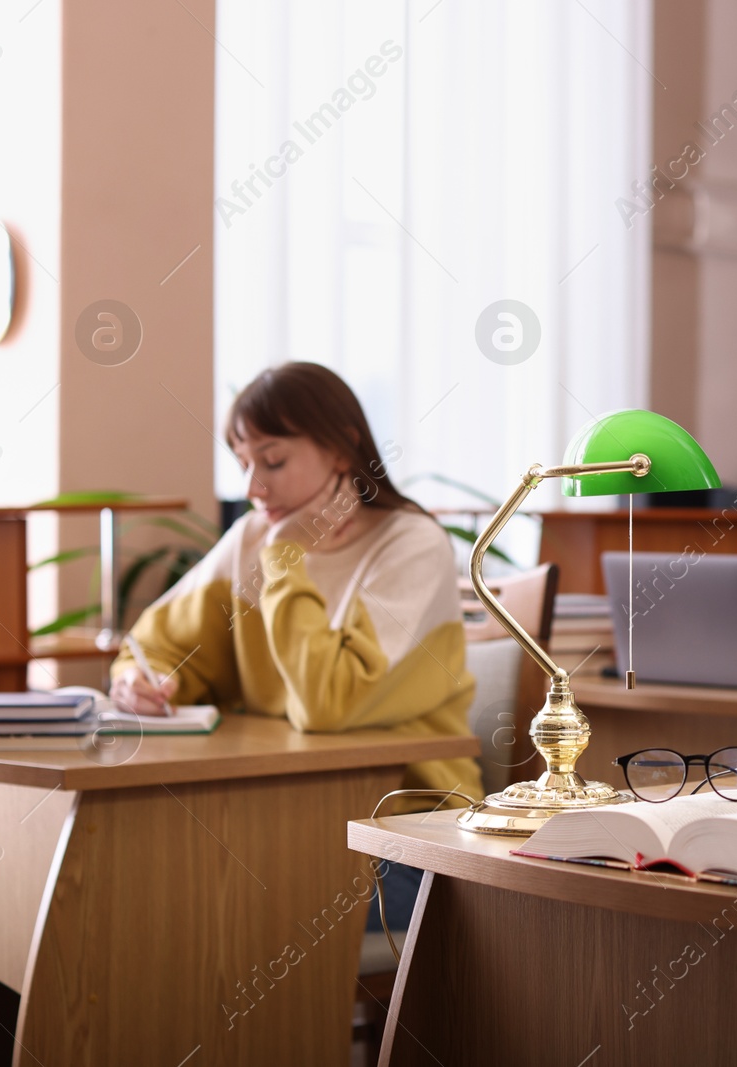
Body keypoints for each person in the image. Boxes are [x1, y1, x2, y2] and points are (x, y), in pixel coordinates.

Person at [110, 361, 480, 929]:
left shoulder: (412, 547)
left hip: (405, 842)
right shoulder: (253, 536)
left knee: (215, 908)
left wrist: (285, 558)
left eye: (274, 461)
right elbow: (156, 644)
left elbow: (327, 703)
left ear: (341, 449)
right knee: (149, 879)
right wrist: (139, 681)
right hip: (281, 819)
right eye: (244, 465)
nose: (253, 488)